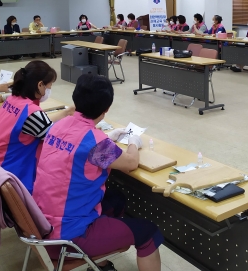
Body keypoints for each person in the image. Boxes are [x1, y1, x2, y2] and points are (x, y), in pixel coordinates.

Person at [33, 74, 163, 270]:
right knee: (148, 232)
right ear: (106, 109)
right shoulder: (96, 143)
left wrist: (107, 137)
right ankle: (94, 250)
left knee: (116, 199)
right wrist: (134, 142)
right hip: (67, 237)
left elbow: (77, 146)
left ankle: (100, 263)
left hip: (40, 224)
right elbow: (130, 163)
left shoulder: (58, 126)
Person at [0, 61, 74, 193]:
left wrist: (66, 112)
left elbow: (40, 124)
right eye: (50, 85)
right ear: (40, 84)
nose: (50, 89)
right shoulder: (32, 113)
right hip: (10, 177)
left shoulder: (13, 100)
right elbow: (57, 140)